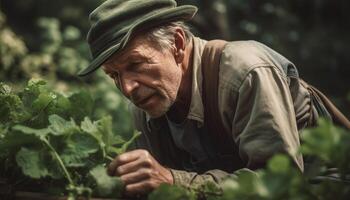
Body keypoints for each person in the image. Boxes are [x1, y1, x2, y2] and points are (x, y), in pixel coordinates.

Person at [78, 0, 346, 196]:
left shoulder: (244, 73)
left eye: (136, 64)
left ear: (178, 45)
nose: (127, 88)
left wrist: (173, 181)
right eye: (114, 75)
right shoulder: (145, 106)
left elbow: (280, 185)